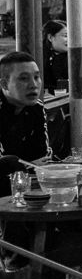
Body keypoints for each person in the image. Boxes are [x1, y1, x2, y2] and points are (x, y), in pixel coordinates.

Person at [1, 52, 57, 185]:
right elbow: (4, 165)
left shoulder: (36, 107)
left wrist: (24, 165)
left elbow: (42, 158)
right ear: (4, 84)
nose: (33, 85)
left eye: (37, 77)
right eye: (24, 78)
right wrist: (27, 164)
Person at [41, 20, 68, 93]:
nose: (69, 40)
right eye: (65, 36)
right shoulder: (39, 58)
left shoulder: (73, 57)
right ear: (50, 37)